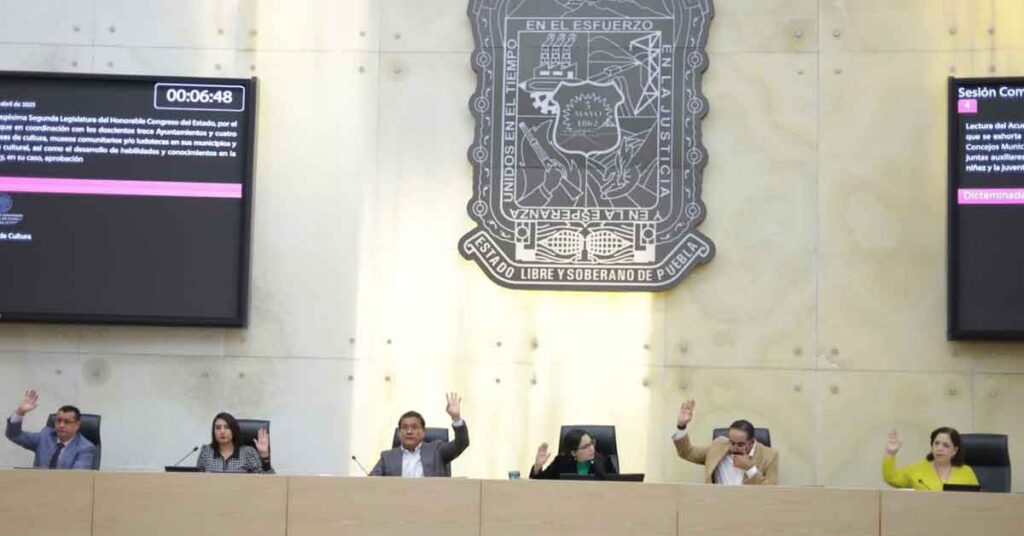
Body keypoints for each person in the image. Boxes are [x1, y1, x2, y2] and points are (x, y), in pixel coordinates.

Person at [671, 399, 778, 485]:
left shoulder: (769, 455)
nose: (734, 447)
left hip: (750, 504)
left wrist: (750, 468)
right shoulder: (719, 445)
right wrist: (681, 426)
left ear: (751, 442)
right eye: (732, 442)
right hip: (717, 502)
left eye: (740, 444)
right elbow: (687, 452)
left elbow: (772, 491)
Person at [370, 392, 469, 477]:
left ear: (423, 432)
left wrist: (456, 418)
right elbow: (370, 483)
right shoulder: (387, 457)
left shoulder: (437, 451)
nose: (409, 431)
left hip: (431, 494)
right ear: (399, 432)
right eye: (405, 427)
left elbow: (462, 443)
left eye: (414, 427)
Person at [4, 389, 96, 470]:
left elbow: (77, 478)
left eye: (67, 422)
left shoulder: (85, 448)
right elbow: (14, 435)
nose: (61, 425)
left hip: (65, 484)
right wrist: (20, 412)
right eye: (58, 421)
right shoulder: (45, 436)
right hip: (37, 483)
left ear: (77, 425)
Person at [882, 427, 978, 491]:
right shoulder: (918, 468)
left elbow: (978, 500)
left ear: (955, 450)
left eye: (946, 445)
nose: (939, 448)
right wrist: (890, 453)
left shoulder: (967, 472)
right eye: (936, 443)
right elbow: (892, 478)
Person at [195, 412, 273, 473]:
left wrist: (264, 455)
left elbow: (269, 481)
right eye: (218, 428)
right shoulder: (206, 451)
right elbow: (196, 480)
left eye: (227, 427)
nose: (222, 431)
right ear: (214, 431)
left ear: (234, 430)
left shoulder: (248, 453)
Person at [529, 428, 617, 479]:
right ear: (574, 453)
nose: (592, 448)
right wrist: (537, 467)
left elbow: (616, 486)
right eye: (586, 446)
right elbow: (540, 485)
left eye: (592, 443)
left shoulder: (604, 461)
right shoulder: (560, 462)